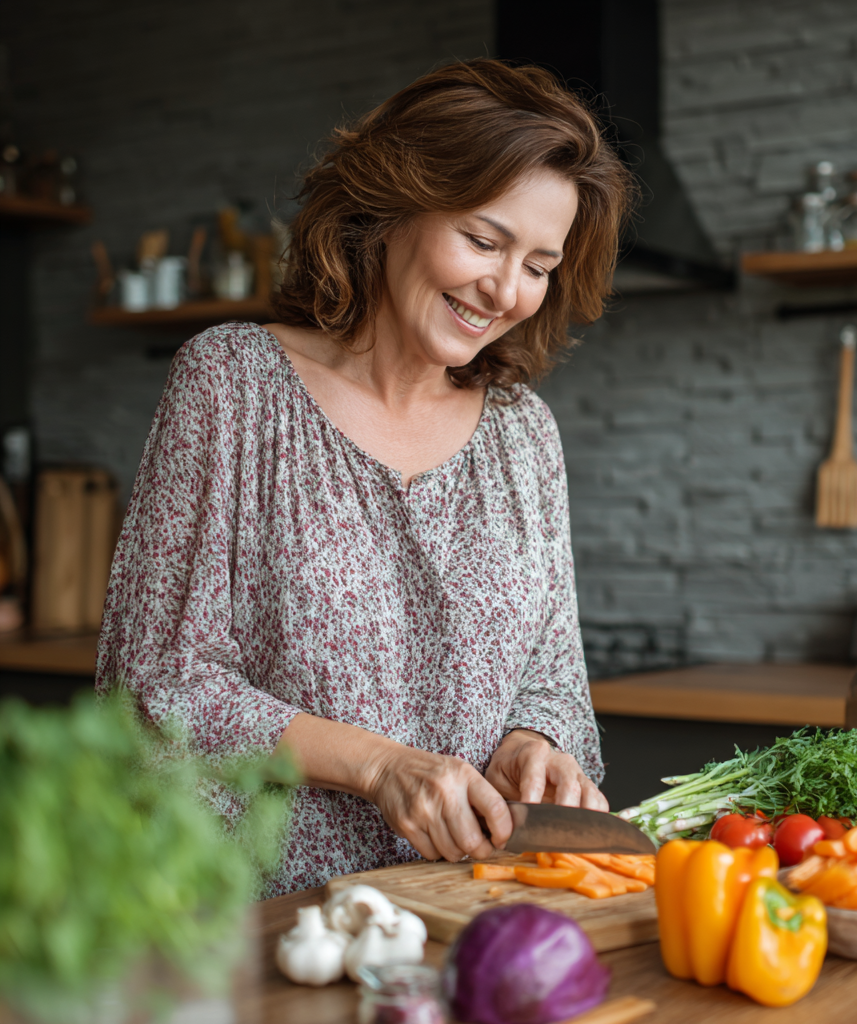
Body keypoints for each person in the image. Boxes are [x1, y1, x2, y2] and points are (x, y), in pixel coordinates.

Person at [97, 58, 635, 896]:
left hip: (467, 907)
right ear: (390, 209)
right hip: (262, 922)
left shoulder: (522, 434)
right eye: (484, 241)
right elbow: (157, 688)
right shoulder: (233, 386)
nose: (504, 289)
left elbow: (552, 677)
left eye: (537, 265)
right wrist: (379, 767)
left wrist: (536, 743)